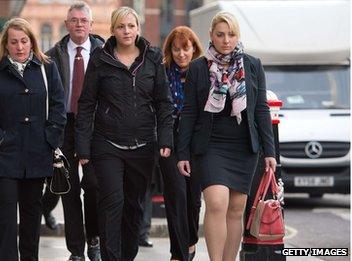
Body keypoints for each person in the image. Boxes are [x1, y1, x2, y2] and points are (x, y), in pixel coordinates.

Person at [75, 6, 174, 261]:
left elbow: (164, 102)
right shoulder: (100, 58)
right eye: (121, 26)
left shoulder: (152, 57)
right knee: (112, 202)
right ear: (113, 30)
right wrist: (83, 147)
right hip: (107, 144)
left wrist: (165, 138)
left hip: (143, 145)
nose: (126, 31)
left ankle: (127, 256)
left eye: (131, 26)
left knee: (133, 207)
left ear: (138, 29)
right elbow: (86, 104)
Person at [177, 11, 276, 261]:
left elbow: (261, 109)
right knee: (217, 203)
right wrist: (183, 153)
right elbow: (188, 111)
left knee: (236, 209)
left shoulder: (253, 65)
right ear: (211, 35)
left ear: (237, 36)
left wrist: (270, 151)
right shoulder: (199, 67)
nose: (226, 40)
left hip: (244, 147)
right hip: (210, 146)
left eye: (231, 34)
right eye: (220, 34)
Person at [0, 17, 66, 261]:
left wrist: (50, 139)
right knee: (4, 218)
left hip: (37, 154)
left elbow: (58, 107)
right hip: (3, 154)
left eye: (24, 41)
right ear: (5, 44)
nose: (20, 46)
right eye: (14, 42)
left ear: (31, 42)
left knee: (31, 217)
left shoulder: (48, 67)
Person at [45, 2, 104, 260]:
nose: (79, 23)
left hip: (94, 127)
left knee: (93, 186)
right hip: (64, 126)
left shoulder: (105, 53)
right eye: (74, 20)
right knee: (67, 190)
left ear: (91, 25)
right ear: (67, 24)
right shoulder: (52, 56)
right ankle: (76, 251)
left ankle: (94, 239)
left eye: (84, 20)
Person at [161, 26, 204, 261]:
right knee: (176, 194)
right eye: (176, 49)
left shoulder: (203, 71)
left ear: (194, 48)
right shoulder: (164, 72)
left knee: (193, 199)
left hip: (196, 141)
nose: (181, 54)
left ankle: (190, 242)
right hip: (171, 139)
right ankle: (178, 254)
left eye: (185, 49)